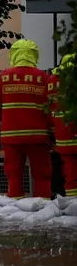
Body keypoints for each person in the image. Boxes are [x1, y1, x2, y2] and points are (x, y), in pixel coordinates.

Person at [0, 39, 53, 199]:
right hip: (38, 137)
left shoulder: (3, 77)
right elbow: (51, 109)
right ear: (34, 55)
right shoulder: (43, 78)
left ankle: (15, 212)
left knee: (14, 176)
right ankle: (42, 210)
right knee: (42, 176)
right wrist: (53, 133)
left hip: (11, 137)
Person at [48, 54, 76, 197]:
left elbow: (46, 109)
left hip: (62, 136)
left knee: (70, 173)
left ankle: (72, 202)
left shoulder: (52, 81)